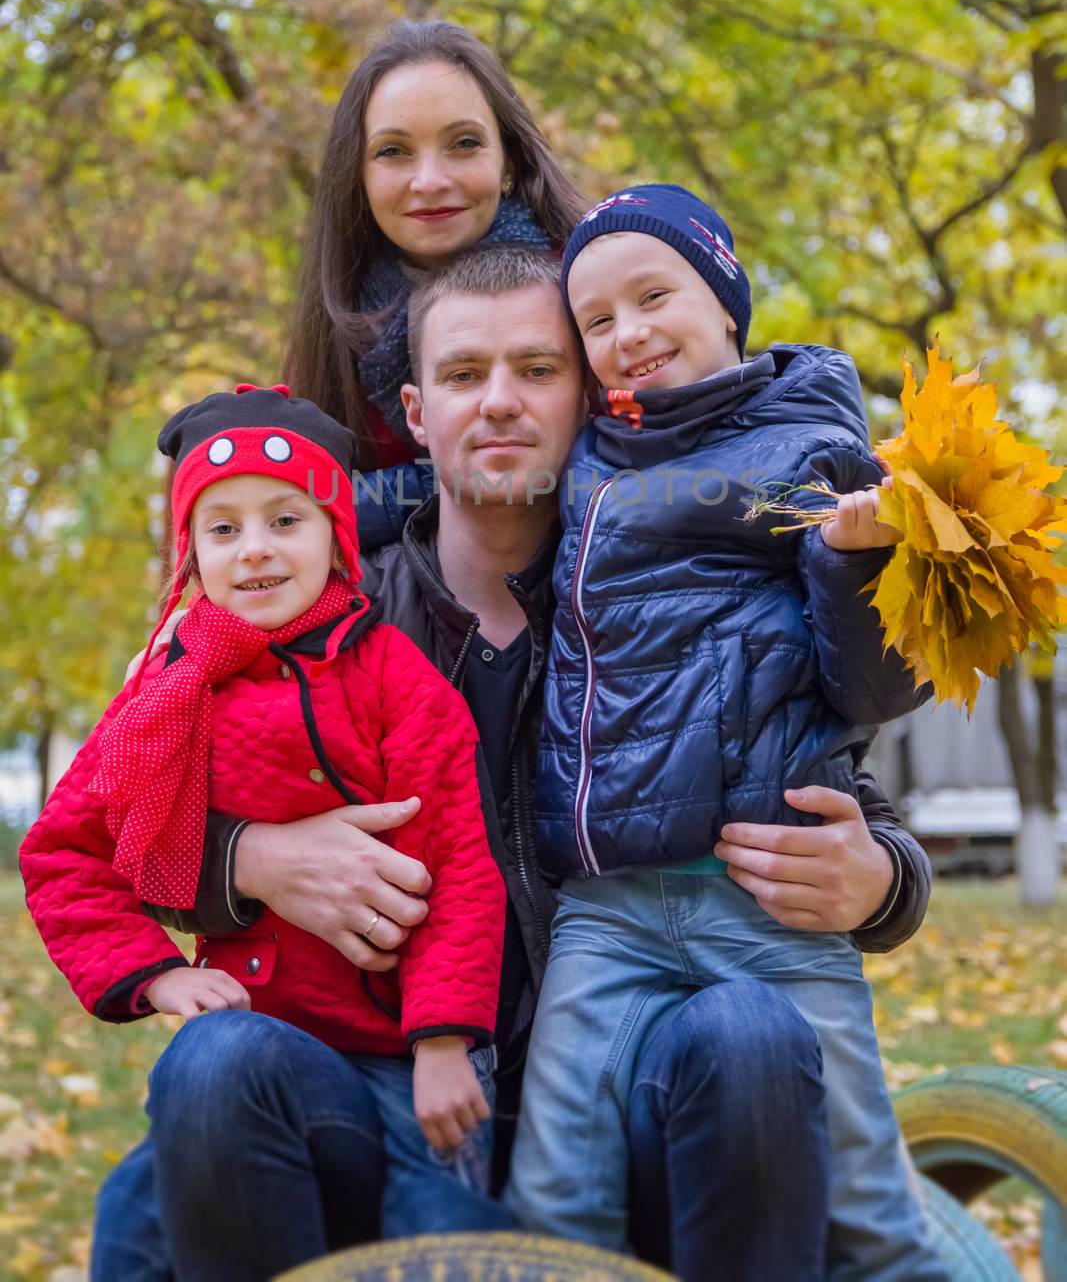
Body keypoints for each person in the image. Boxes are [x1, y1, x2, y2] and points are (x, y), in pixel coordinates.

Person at [94, 250, 937, 1282]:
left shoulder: (680, 581)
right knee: (214, 1068)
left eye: (536, 369)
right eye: (462, 375)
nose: (497, 402)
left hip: (628, 1082)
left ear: (591, 393)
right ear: (413, 406)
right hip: (385, 1086)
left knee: (752, 1031)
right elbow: (118, 827)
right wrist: (248, 859)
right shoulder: (303, 619)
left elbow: (826, 771)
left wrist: (884, 880)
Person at [504, 189, 948, 1280]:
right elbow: (420, 493)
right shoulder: (587, 458)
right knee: (552, 1188)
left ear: (724, 298)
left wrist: (858, 563)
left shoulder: (819, 447)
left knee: (870, 1206)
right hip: (604, 909)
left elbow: (875, 690)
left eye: (653, 296)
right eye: (596, 322)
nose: (628, 334)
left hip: (765, 895)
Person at [21, 385, 508, 1278]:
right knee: (131, 1222)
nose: (254, 549)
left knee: (432, 1231)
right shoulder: (167, 692)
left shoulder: (390, 675)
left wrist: (444, 1041)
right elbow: (62, 854)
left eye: (285, 520)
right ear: (191, 553)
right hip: (251, 1039)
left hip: (392, 1055)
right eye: (223, 529)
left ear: (334, 537)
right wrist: (160, 976)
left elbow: (460, 862)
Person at [284, 17, 583, 490]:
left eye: (464, 143)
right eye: (393, 151)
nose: (430, 181)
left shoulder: (592, 290)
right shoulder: (338, 330)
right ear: (356, 177)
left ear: (509, 158)